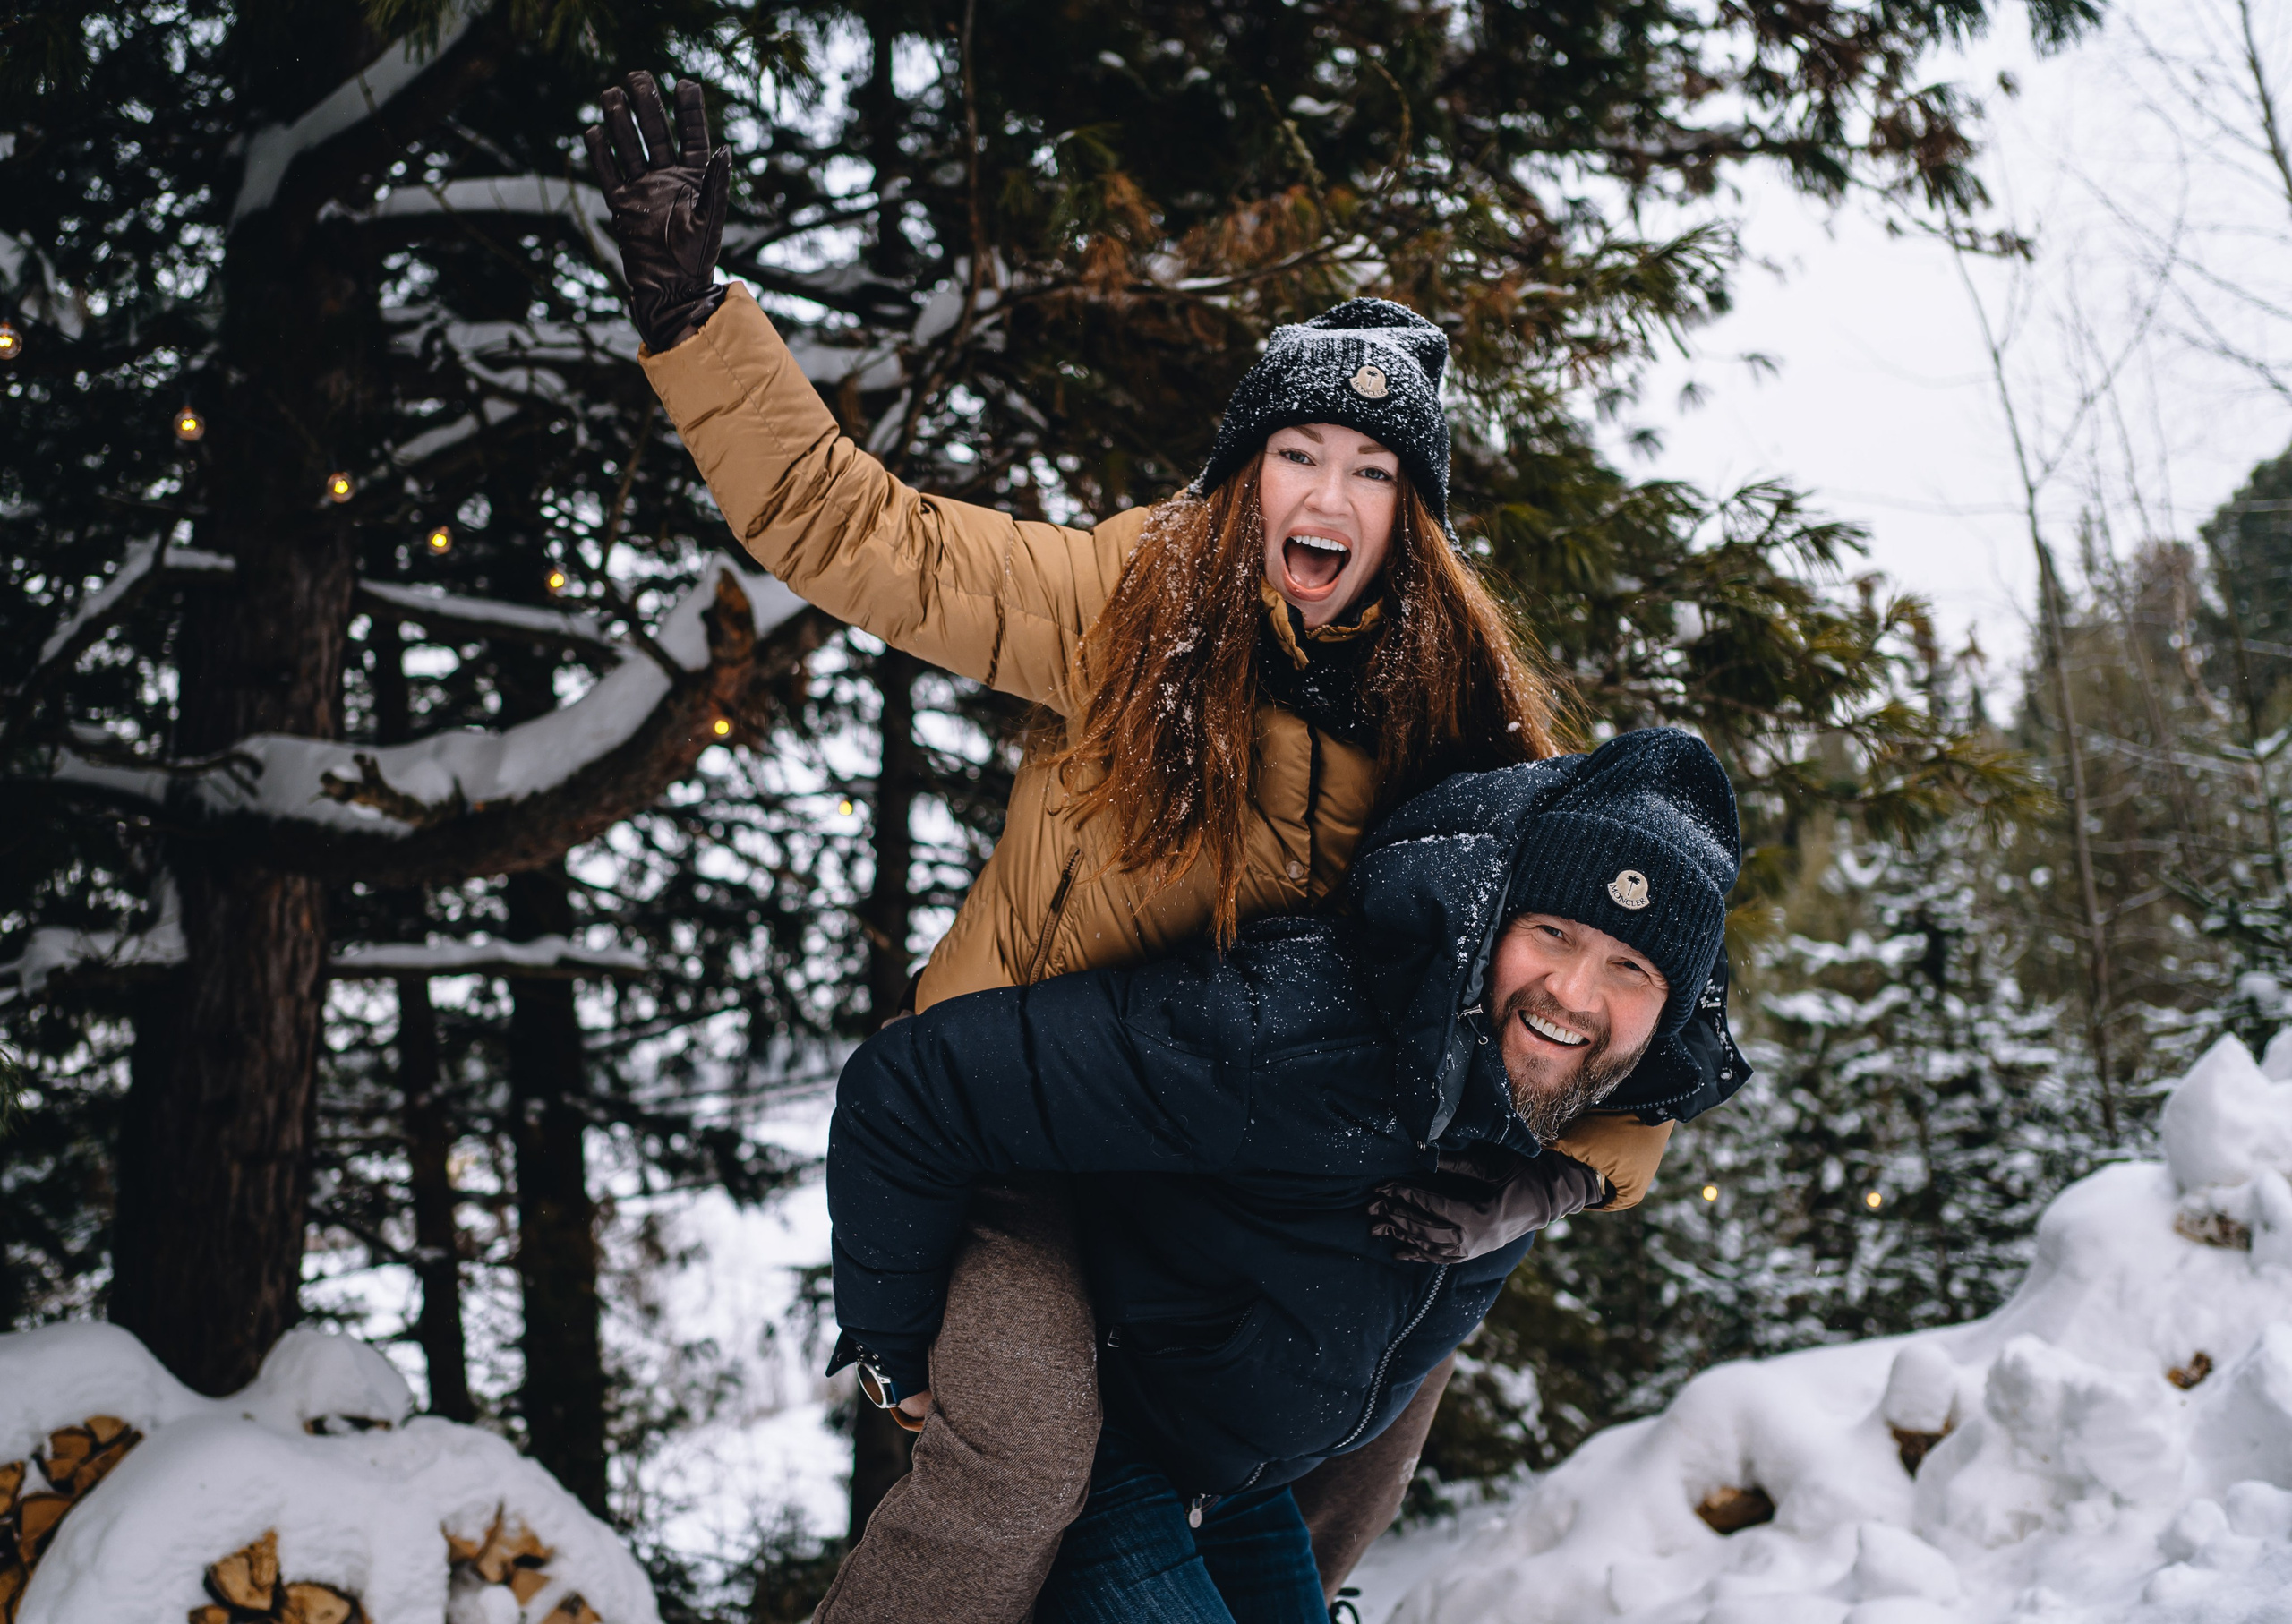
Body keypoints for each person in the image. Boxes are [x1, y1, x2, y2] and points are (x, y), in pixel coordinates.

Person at [583, 70, 1693, 1619]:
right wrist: (691, 309)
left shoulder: (1455, 721)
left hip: (1235, 1160)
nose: (1331, 494)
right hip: (1019, 1128)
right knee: (1025, 1456)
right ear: (1246, 474)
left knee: (1381, 1382)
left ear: (1410, 516)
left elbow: (1625, 988)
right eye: (1301, 452)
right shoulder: (1125, 611)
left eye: (1374, 470)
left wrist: (1560, 1181)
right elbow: (858, 532)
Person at [827, 727, 1749, 1622]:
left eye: (1630, 965)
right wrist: (894, 1344)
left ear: (1672, 1006)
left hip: (1239, 1481)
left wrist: (1553, 1184)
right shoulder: (1297, 1036)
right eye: (1550, 930)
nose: (1574, 994)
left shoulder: (1587, 1089)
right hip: (1118, 1445)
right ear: (1491, 911)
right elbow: (908, 1083)